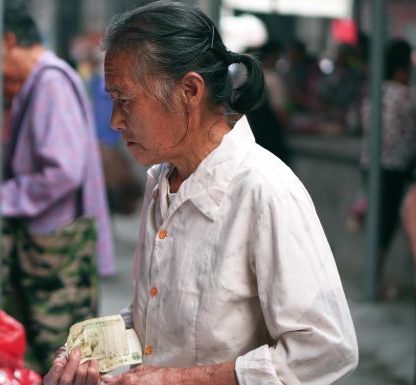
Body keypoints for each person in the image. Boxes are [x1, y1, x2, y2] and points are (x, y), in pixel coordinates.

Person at [44, 2, 358, 384]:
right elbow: (158, 317)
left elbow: (328, 348)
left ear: (189, 90)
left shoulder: (266, 191)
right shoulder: (161, 181)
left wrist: (179, 379)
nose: (114, 120)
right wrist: (88, 353)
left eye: (125, 101)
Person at [0, 0, 115, 371]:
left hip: (56, 249)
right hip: (47, 245)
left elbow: (63, 171)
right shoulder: (39, 81)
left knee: (63, 356)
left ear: (7, 41)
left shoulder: (49, 82)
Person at [360, 39, 416, 296]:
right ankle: (374, 282)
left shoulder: (374, 91)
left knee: (377, 222)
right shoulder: (408, 96)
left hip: (370, 165)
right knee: (385, 225)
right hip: (394, 167)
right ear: (403, 68)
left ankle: (372, 278)